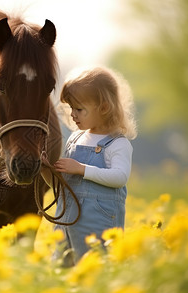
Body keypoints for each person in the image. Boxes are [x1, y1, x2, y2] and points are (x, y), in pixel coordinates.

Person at [50, 66, 137, 266]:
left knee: (95, 266)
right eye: (71, 108)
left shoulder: (117, 143)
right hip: (66, 219)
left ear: (104, 108)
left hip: (97, 223)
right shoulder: (75, 138)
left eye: (79, 109)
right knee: (62, 267)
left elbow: (119, 177)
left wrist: (81, 169)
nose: (72, 114)